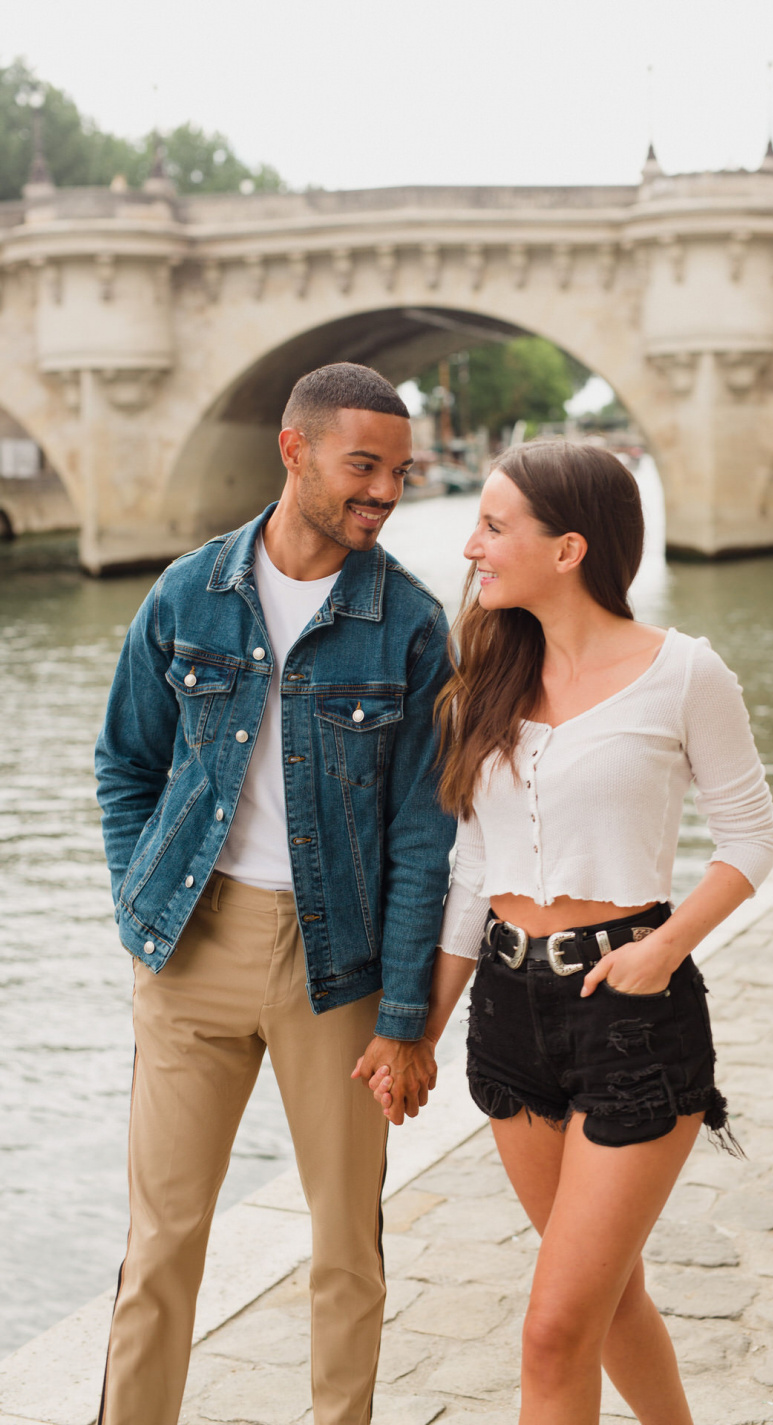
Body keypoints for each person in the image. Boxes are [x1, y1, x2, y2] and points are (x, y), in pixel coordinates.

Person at [367, 441, 773, 1425]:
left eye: (493, 526)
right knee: (607, 1296)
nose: (470, 546)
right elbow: (474, 874)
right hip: (508, 1015)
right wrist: (419, 1029)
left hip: (630, 1014)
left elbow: (749, 838)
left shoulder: (683, 673)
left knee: (553, 1329)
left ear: (568, 549)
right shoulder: (483, 679)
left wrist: (663, 948)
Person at [94, 363, 455, 1425]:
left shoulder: (411, 624)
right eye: (364, 466)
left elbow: (422, 838)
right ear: (293, 451)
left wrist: (404, 1017)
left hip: (333, 964)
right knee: (160, 1243)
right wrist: (140, 903)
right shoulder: (186, 593)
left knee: (345, 1246)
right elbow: (126, 764)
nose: (384, 492)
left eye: (400, 472)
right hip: (190, 946)